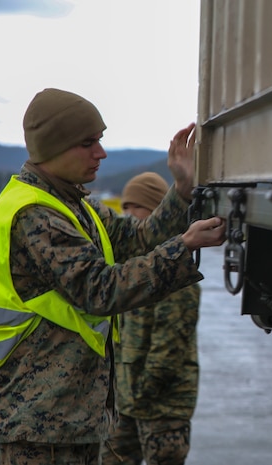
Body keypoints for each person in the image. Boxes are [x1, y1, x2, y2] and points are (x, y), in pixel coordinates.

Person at [0, 88, 226, 465]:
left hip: (70, 420)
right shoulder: (34, 215)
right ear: (54, 147)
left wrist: (181, 191)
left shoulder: (74, 205)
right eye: (88, 143)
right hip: (35, 429)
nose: (101, 153)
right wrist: (183, 246)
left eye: (100, 140)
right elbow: (100, 290)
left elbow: (138, 239)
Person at [100, 172, 201, 464]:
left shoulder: (175, 269)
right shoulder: (129, 269)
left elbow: (171, 339)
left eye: (136, 208)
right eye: (125, 208)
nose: (127, 216)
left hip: (163, 405)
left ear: (159, 210)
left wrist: (145, 388)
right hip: (127, 401)